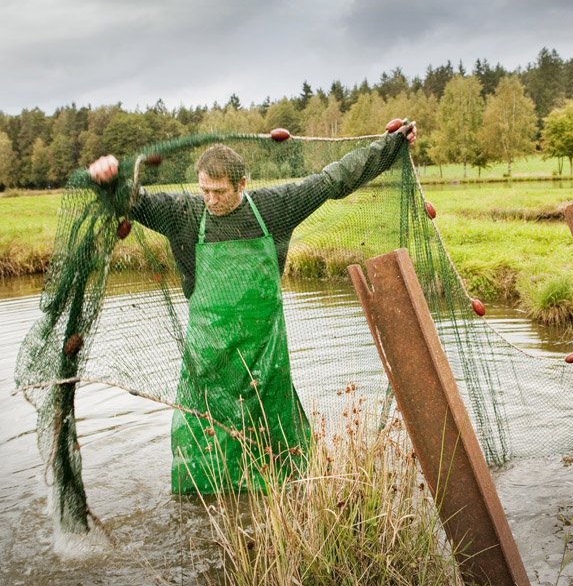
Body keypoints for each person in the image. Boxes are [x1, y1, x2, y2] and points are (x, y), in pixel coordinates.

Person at [88, 122, 417, 492]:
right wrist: (107, 180)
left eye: (219, 191)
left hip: (264, 360)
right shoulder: (184, 215)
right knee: (204, 462)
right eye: (204, 190)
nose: (210, 200)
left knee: (274, 458)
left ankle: (278, 511)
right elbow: (135, 202)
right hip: (207, 364)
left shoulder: (275, 209)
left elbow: (333, 179)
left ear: (242, 184)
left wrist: (390, 147)